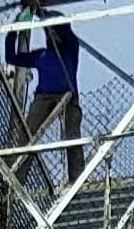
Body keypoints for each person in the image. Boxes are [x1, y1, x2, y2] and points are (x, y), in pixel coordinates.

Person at [6, 12, 82, 142]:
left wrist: (44, 16)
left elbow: (65, 31)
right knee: (27, 134)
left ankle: (76, 163)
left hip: (68, 96)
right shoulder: (41, 55)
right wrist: (13, 32)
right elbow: (11, 57)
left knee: (72, 137)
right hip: (45, 96)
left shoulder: (70, 49)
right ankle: (22, 159)